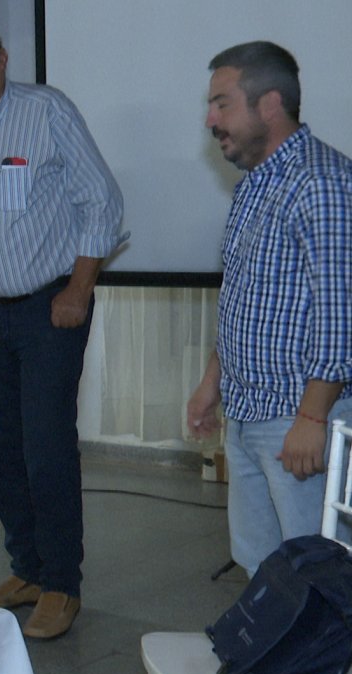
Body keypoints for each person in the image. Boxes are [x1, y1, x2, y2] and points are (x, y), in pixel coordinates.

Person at [0, 16, 124, 639]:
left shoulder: (47, 113)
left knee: (45, 448)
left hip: (50, 308)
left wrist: (79, 287)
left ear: (0, 57)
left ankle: (62, 586)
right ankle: (27, 569)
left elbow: (102, 199)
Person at [187, 41, 352, 577]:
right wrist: (214, 383)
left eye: (222, 103)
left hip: (296, 420)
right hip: (247, 414)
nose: (210, 119)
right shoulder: (254, 186)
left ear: (270, 105)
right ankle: (278, 660)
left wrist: (312, 418)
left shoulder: (321, 182)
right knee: (264, 573)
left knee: (316, 578)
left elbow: (340, 313)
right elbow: (244, 296)